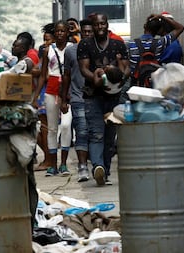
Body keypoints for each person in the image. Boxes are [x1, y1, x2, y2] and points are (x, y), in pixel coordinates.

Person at [78, 13, 130, 186]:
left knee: (110, 137)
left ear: (107, 25)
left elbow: (126, 67)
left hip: (114, 97)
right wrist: (95, 77)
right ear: (92, 26)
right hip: (93, 96)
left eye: (103, 24)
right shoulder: (85, 44)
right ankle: (97, 167)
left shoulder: (118, 44)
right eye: (97, 24)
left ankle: (105, 172)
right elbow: (83, 68)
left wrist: (119, 77)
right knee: (96, 134)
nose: (100, 27)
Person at [32, 20, 73, 177]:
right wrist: (35, 96)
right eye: (58, 31)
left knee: (66, 126)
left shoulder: (72, 49)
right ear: (55, 33)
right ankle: (52, 165)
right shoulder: (47, 50)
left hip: (67, 91)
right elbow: (43, 75)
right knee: (51, 128)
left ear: (67, 32)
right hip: (51, 89)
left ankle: (63, 164)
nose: (60, 33)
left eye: (63, 31)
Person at [60, 18, 94, 182]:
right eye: (85, 31)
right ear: (81, 32)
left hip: (96, 99)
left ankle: (98, 165)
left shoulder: (99, 49)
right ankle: (82, 167)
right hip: (77, 97)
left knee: (95, 134)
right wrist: (63, 99)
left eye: (90, 32)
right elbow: (66, 76)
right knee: (81, 131)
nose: (87, 34)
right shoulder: (70, 51)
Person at [128, 13, 184, 87]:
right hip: (154, 84)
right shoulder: (160, 43)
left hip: (136, 85)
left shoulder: (131, 44)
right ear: (158, 31)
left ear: (144, 26)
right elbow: (180, 28)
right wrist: (162, 17)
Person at [33, 23, 55, 171]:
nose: (45, 43)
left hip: (48, 92)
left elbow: (43, 73)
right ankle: (49, 158)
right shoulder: (46, 51)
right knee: (44, 128)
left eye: (47, 39)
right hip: (45, 92)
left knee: (46, 128)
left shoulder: (51, 51)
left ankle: (49, 160)